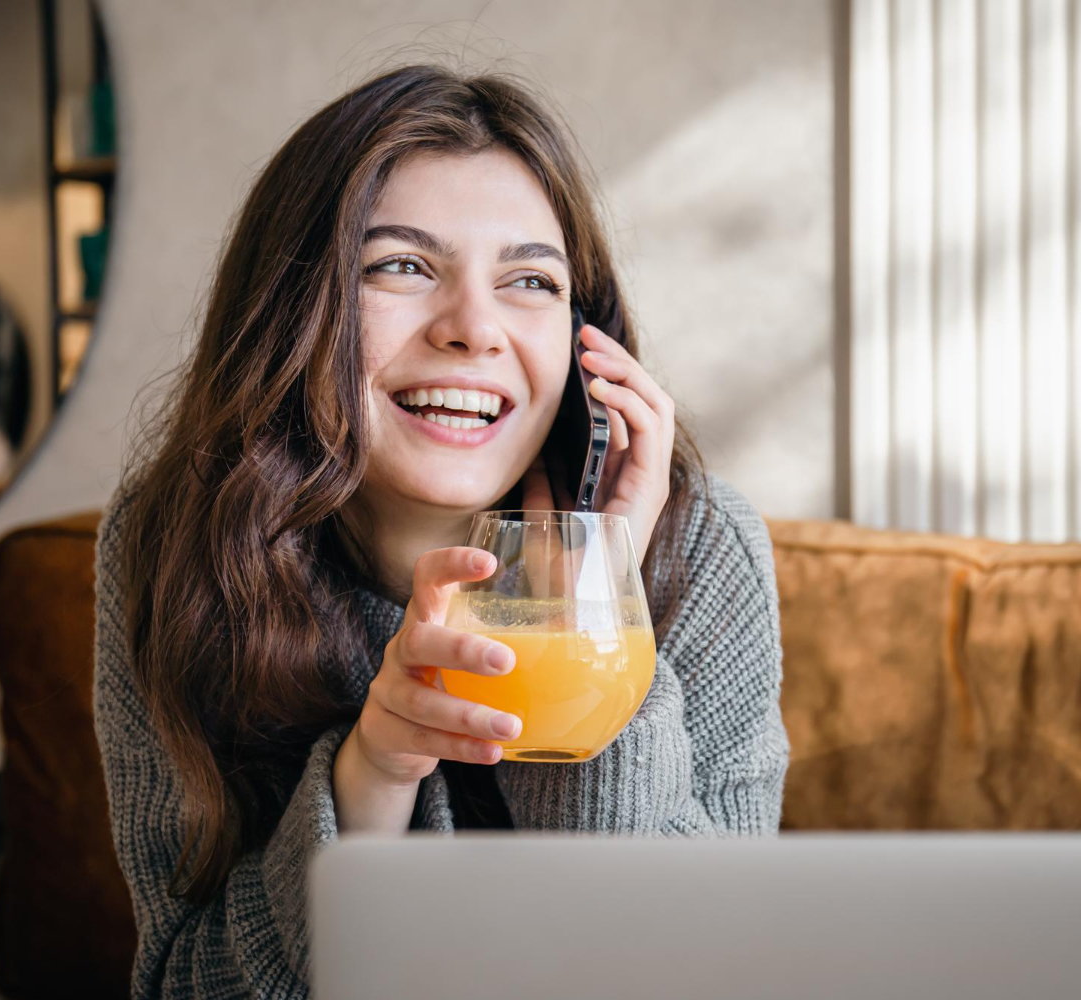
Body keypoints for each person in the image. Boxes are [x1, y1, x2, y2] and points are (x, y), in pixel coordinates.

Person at [93, 63, 789, 999]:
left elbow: (708, 971)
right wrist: (369, 778)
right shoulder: (176, 549)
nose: (475, 327)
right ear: (298, 310)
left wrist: (596, 603)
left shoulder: (699, 550)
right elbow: (182, 983)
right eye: (402, 266)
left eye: (530, 280)